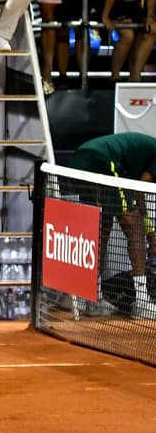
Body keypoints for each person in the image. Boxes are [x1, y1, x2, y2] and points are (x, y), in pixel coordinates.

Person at [66, 132, 156, 319]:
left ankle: (93, 298)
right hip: (103, 160)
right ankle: (142, 303)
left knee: (100, 228)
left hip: (81, 158)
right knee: (133, 225)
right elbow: (140, 190)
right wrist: (151, 233)